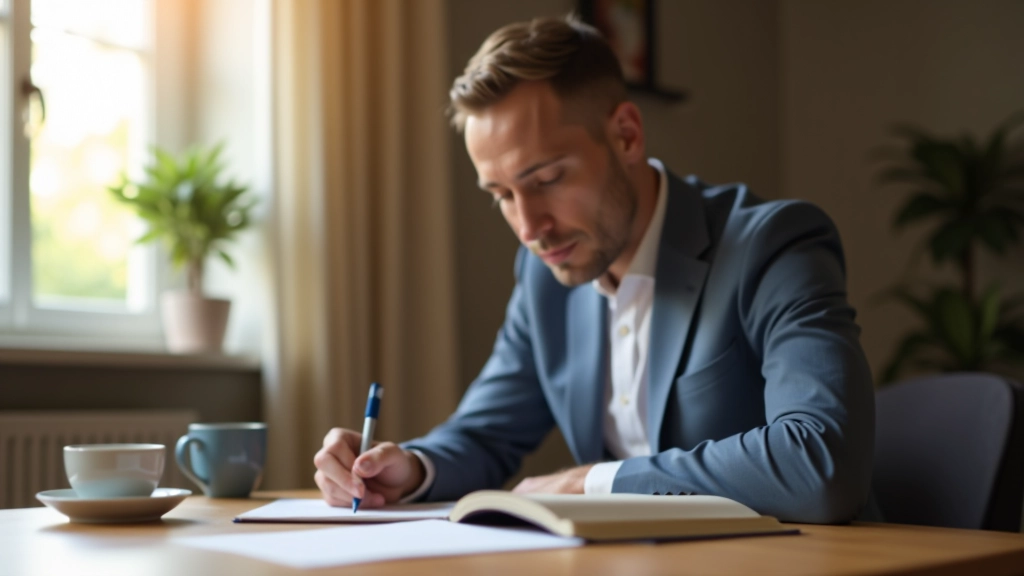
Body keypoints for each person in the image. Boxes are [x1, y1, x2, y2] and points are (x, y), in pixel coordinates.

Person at [313, 15, 875, 524]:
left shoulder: (773, 245)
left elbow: (820, 460)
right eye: (502, 195)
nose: (529, 227)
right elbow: (485, 434)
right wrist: (408, 469)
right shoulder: (544, 277)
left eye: (547, 179)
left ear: (626, 135)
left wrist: (594, 482)